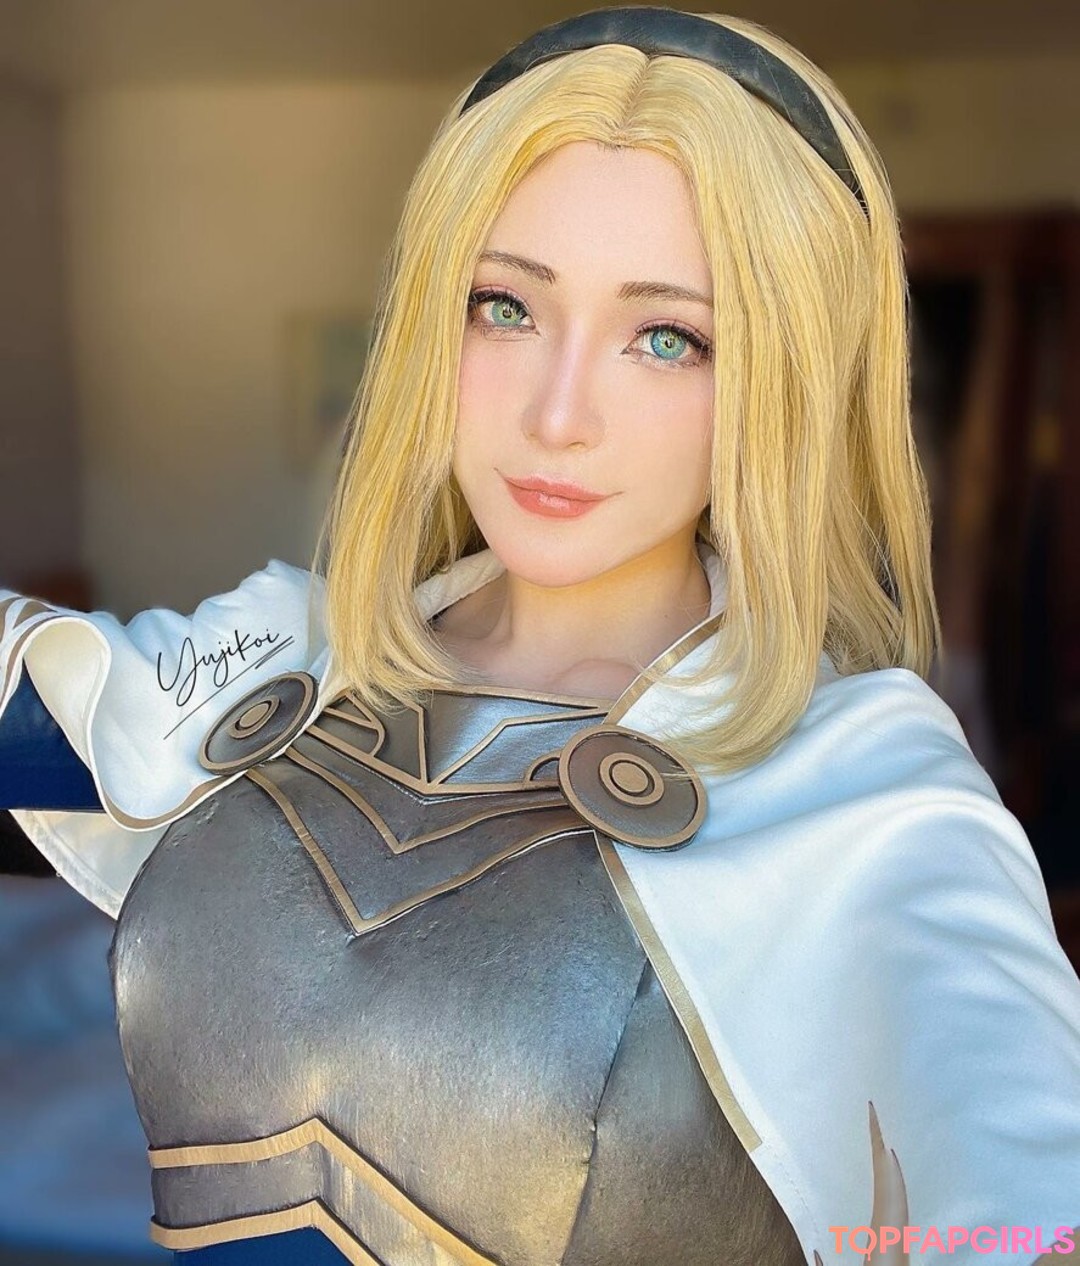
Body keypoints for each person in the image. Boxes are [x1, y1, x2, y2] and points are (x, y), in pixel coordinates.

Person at [1, 8, 1079, 1265]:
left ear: (776, 388)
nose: (558, 415)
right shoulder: (296, 648)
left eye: (668, 338)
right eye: (504, 306)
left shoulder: (868, 784)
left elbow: (1029, 1187)